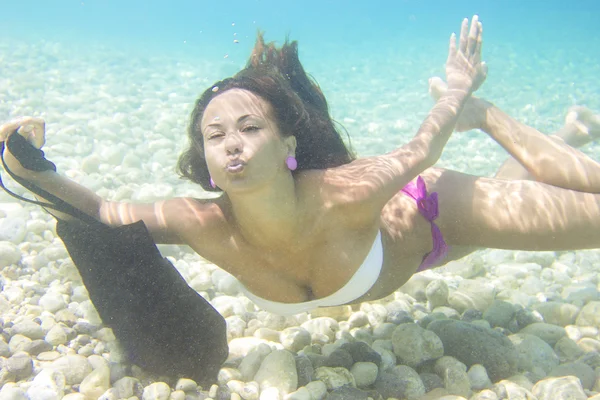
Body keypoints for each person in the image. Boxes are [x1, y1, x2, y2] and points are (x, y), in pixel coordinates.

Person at [2, 16, 600, 317]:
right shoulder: (199, 222)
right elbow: (106, 212)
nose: (232, 143)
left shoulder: (344, 192)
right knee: (523, 196)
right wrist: (32, 171)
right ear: (207, 163)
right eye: (216, 135)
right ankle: (569, 131)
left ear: (288, 146)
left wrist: (461, 96)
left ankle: (493, 118)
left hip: (432, 211)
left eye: (250, 127)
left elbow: (422, 150)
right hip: (398, 256)